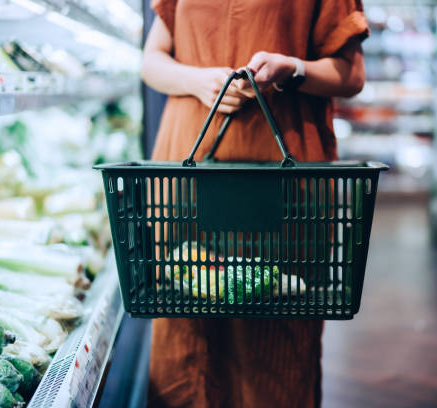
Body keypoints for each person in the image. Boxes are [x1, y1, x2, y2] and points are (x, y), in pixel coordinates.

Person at [141, 1, 368, 406]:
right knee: (183, 322)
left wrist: (293, 69)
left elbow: (351, 74)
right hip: (188, 169)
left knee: (278, 326)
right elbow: (151, 61)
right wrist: (196, 80)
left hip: (281, 176)